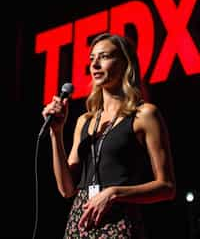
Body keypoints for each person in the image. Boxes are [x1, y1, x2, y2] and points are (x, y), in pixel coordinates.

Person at [42, 32, 176, 238]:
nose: (95, 65)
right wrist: (56, 133)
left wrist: (114, 193)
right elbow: (66, 190)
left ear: (125, 63)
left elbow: (166, 187)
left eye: (104, 57)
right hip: (80, 222)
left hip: (119, 222)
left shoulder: (145, 114)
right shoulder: (84, 121)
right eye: (92, 59)